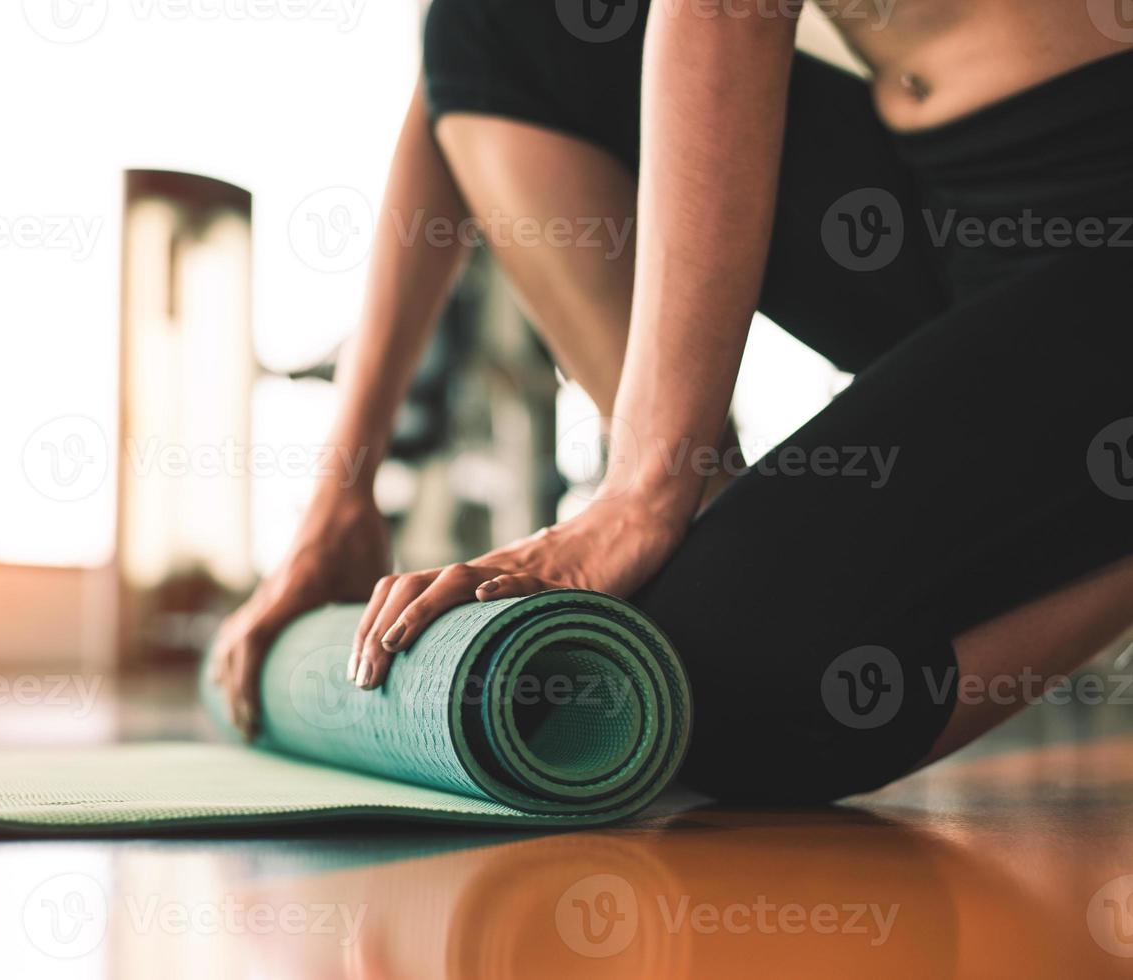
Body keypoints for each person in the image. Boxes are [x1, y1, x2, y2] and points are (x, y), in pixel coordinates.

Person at [212, 0, 1133, 802]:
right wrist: (341, 492)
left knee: (713, 686)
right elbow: (463, 69)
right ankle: (706, 519)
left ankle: (683, 530)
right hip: (944, 201)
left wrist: (641, 492)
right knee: (500, 23)